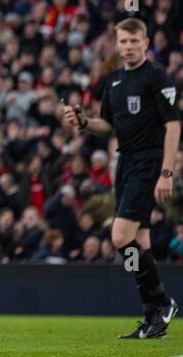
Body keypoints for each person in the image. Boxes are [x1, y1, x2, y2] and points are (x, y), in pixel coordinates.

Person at [60, 18, 179, 338]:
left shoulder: (157, 76)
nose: (127, 47)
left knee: (119, 236)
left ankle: (164, 303)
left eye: (133, 41)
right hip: (125, 162)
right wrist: (84, 122)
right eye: (122, 42)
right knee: (139, 242)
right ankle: (153, 317)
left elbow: (173, 126)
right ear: (117, 43)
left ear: (145, 42)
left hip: (148, 161)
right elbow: (108, 126)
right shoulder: (114, 81)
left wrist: (166, 172)